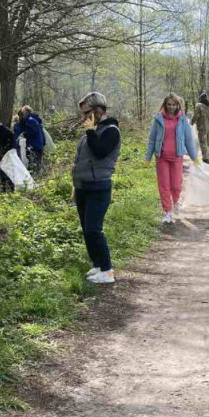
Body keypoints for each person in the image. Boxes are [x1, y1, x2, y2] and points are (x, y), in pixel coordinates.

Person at [72, 92, 121, 284]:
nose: (84, 117)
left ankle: (107, 270)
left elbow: (100, 152)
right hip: (83, 187)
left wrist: (90, 131)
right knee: (86, 229)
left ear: (99, 111)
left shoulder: (111, 131)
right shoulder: (93, 131)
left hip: (99, 188)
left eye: (87, 113)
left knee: (94, 229)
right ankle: (98, 265)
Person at [145, 93, 199, 224]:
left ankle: (176, 202)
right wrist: (148, 157)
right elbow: (152, 139)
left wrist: (194, 157)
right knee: (164, 185)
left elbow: (188, 140)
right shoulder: (158, 119)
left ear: (178, 105)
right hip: (162, 157)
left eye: (173, 105)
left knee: (176, 185)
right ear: (165, 104)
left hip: (177, 157)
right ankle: (167, 212)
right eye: (169, 104)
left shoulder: (182, 120)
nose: (171, 107)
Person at [14, 105, 46, 173]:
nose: (22, 115)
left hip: (35, 144)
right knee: (35, 159)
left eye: (23, 113)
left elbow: (33, 132)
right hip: (36, 143)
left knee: (36, 159)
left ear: (26, 112)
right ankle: (37, 171)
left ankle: (38, 172)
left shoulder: (31, 120)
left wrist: (25, 134)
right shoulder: (29, 120)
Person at [191, 91, 209, 164]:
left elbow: (195, 116)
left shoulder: (199, 105)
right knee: (207, 143)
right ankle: (207, 157)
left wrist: (191, 123)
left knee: (203, 143)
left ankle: (206, 159)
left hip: (202, 128)